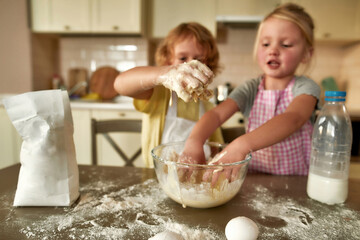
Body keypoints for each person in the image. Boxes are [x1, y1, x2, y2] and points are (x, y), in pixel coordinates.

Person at [183, 3, 321, 177]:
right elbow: (217, 115)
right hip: (255, 178)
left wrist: (241, 145)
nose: (273, 50)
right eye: (265, 44)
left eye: (286, 45)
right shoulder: (250, 89)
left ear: (307, 54)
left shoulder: (306, 88)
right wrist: (194, 141)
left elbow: (293, 119)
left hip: (296, 181)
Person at [114, 22, 223, 167]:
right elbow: (120, 84)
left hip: (196, 181)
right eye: (182, 59)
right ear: (168, 60)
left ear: (208, 64)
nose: (189, 66)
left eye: (199, 59)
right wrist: (165, 74)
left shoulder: (208, 106)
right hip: (158, 176)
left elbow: (215, 149)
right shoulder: (158, 95)